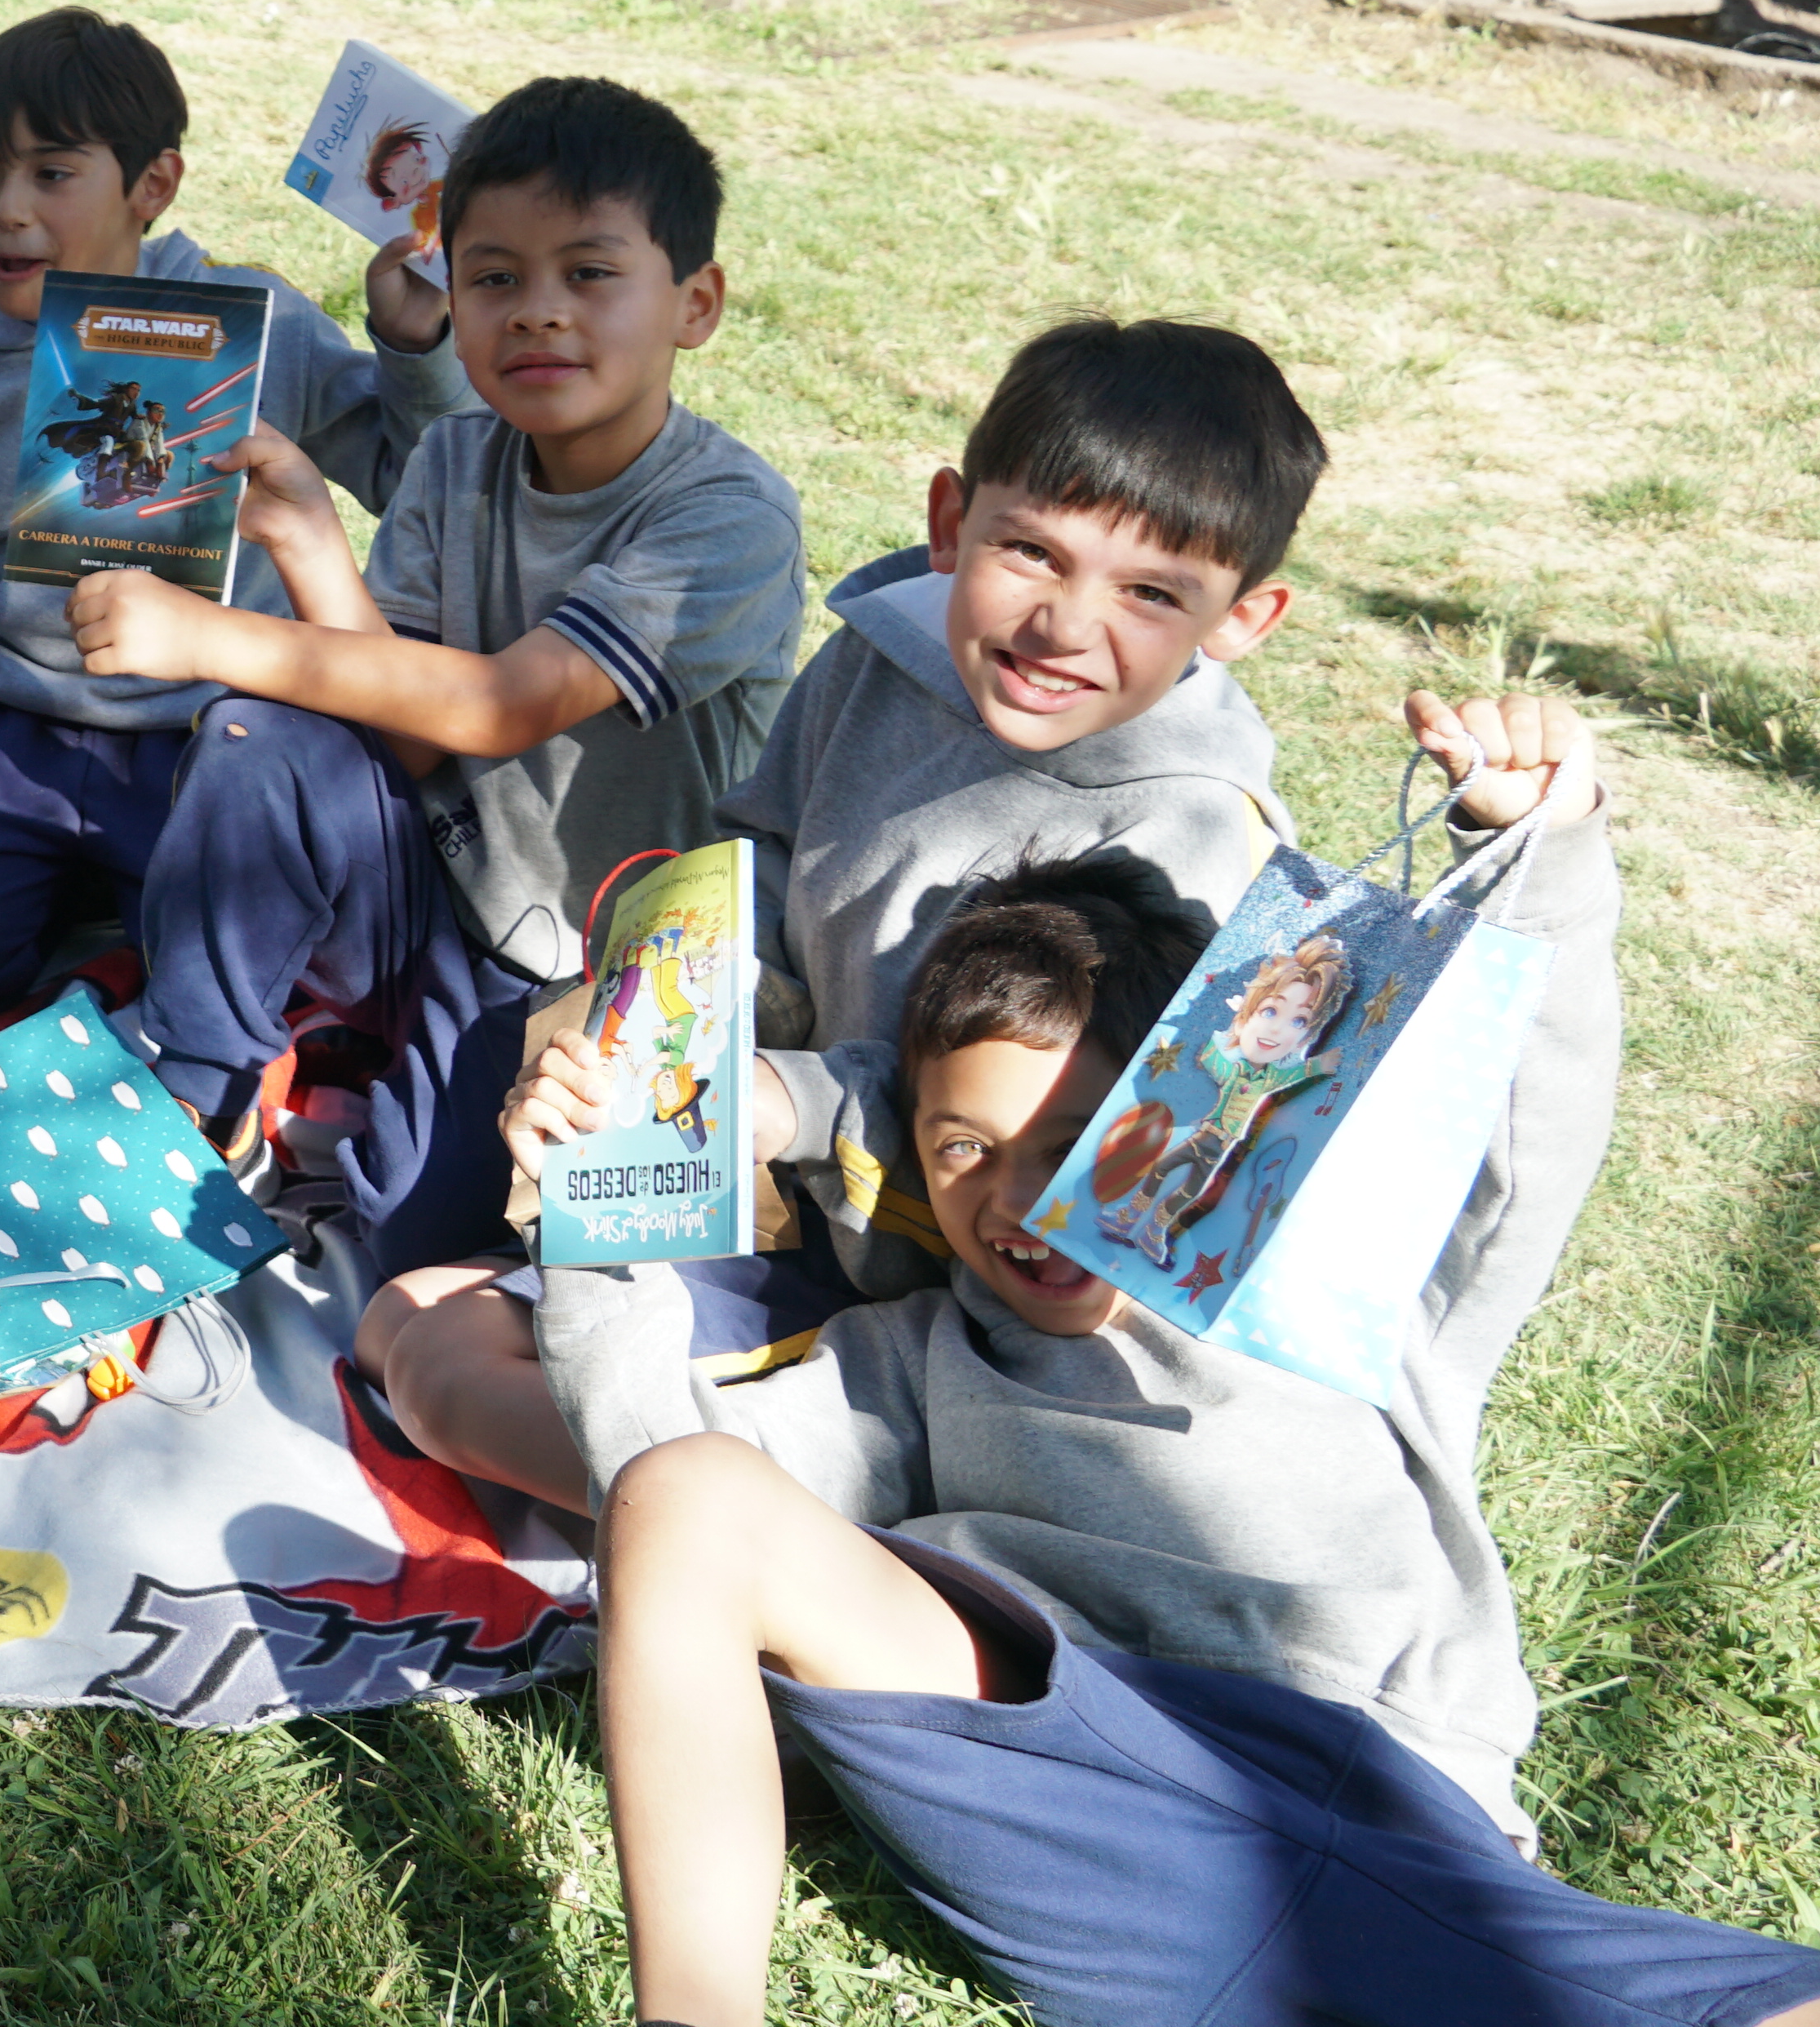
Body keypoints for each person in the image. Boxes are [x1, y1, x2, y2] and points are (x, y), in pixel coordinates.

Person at [339, 714, 1820, 2027]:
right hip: (1090, 1827)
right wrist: (605, 1203)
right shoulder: (920, 1367)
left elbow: (1526, 1141)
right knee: (691, 1496)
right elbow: (647, 1482)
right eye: (965, 1149)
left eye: (1079, 1129)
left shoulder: (1329, 1305)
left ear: (1187, 1114)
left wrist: (1542, 848)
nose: (1022, 1192)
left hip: (1356, 1797)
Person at [357, 316, 1312, 1508]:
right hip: (771, 1167)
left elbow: (1044, 1164)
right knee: (394, 1289)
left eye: (1151, 592)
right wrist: (667, 1025)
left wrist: (785, 1104)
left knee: (437, 1361)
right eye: (1030, 552)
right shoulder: (880, 664)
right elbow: (763, 845)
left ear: (1239, 623)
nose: (1066, 625)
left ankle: (790, 1547)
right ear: (951, 522)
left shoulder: (1191, 844)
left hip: (941, 1299)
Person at [65, 76, 802, 1287]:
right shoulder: (460, 453)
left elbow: (499, 707)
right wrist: (307, 538)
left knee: (419, 1240)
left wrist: (205, 636)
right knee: (262, 737)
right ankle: (195, 1099)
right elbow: (407, 738)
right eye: (496, 278)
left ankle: (357, 1064)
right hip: (442, 890)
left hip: (592, 978)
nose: (539, 315)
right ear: (451, 294)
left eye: (591, 273)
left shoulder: (727, 517)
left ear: (697, 304)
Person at [0, 5, 467, 1038]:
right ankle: (60, 895)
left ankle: (118, 914)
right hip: (4, 732)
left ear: (153, 185)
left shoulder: (255, 323)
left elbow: (414, 478)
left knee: (240, 1006)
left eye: (52, 172)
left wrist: (411, 346)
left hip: (208, 742)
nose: (6, 211)